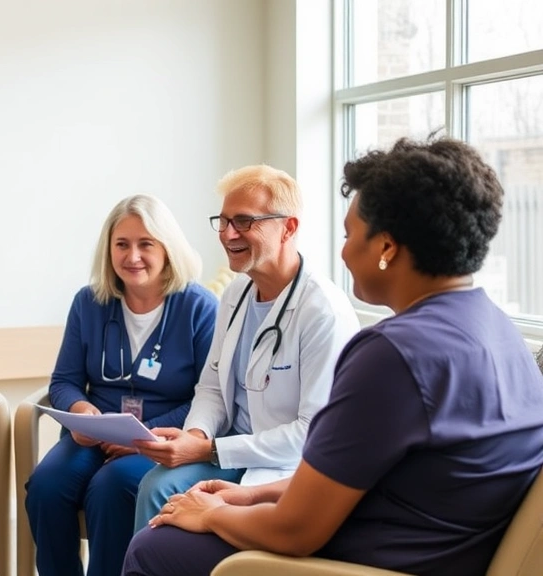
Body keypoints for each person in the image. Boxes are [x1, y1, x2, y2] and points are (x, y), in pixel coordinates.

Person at [122, 137, 543, 576]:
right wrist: (248, 496)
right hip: (431, 547)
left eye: (349, 234)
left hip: (372, 562)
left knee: (156, 547)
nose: (342, 251)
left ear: (387, 247)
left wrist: (211, 515)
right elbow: (375, 477)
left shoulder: (392, 354)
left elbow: (295, 531)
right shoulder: (500, 332)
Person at [132, 165, 359, 530]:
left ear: (289, 227)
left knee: (170, 500)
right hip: (227, 450)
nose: (227, 234)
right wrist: (196, 435)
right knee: (157, 486)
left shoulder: (323, 311)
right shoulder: (236, 294)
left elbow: (310, 433)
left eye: (243, 222)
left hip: (284, 467)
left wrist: (209, 450)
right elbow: (211, 386)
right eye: (222, 221)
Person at [24, 195, 220, 576]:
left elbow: (208, 396)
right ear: (108, 249)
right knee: (46, 488)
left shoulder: (199, 307)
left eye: (146, 244)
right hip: (94, 435)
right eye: (122, 244)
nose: (133, 256)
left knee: (110, 490)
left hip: (161, 439)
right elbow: (64, 381)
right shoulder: (89, 302)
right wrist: (80, 414)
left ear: (167, 248)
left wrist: (143, 437)